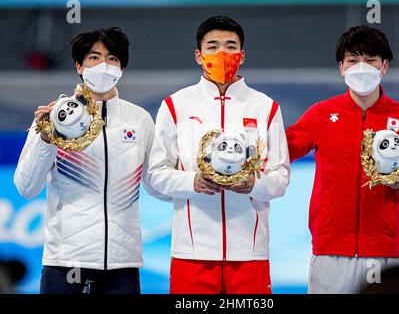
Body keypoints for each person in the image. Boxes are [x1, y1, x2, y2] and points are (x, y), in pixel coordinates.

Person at [286, 25, 399, 294]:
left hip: (384, 254)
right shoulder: (322, 114)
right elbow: (280, 150)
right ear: (341, 68)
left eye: (370, 60)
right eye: (353, 60)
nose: (361, 67)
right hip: (330, 253)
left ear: (384, 66)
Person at [148, 15, 290, 294]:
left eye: (230, 46)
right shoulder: (175, 105)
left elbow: (281, 176)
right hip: (191, 253)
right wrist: (192, 182)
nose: (222, 53)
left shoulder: (266, 107)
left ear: (242, 55)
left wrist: (255, 184)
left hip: (250, 252)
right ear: (199, 56)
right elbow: (155, 174)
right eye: (213, 46)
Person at [14, 27, 162, 294]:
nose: (104, 65)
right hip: (65, 262)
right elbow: (26, 188)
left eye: (112, 59)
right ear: (79, 66)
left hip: (122, 263)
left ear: (122, 69)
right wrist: (46, 139)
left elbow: (158, 183)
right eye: (94, 57)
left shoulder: (139, 119)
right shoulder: (54, 117)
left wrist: (195, 179)